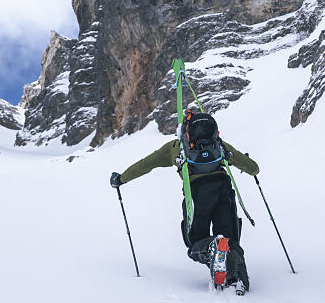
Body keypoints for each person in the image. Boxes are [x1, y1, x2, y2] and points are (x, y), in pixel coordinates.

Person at [109, 108, 259, 292]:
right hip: (223, 189)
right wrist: (248, 164)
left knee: (196, 242)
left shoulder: (176, 148)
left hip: (196, 193)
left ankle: (213, 247)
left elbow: (146, 164)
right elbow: (254, 168)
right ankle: (239, 281)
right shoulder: (218, 144)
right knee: (230, 240)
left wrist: (121, 178)